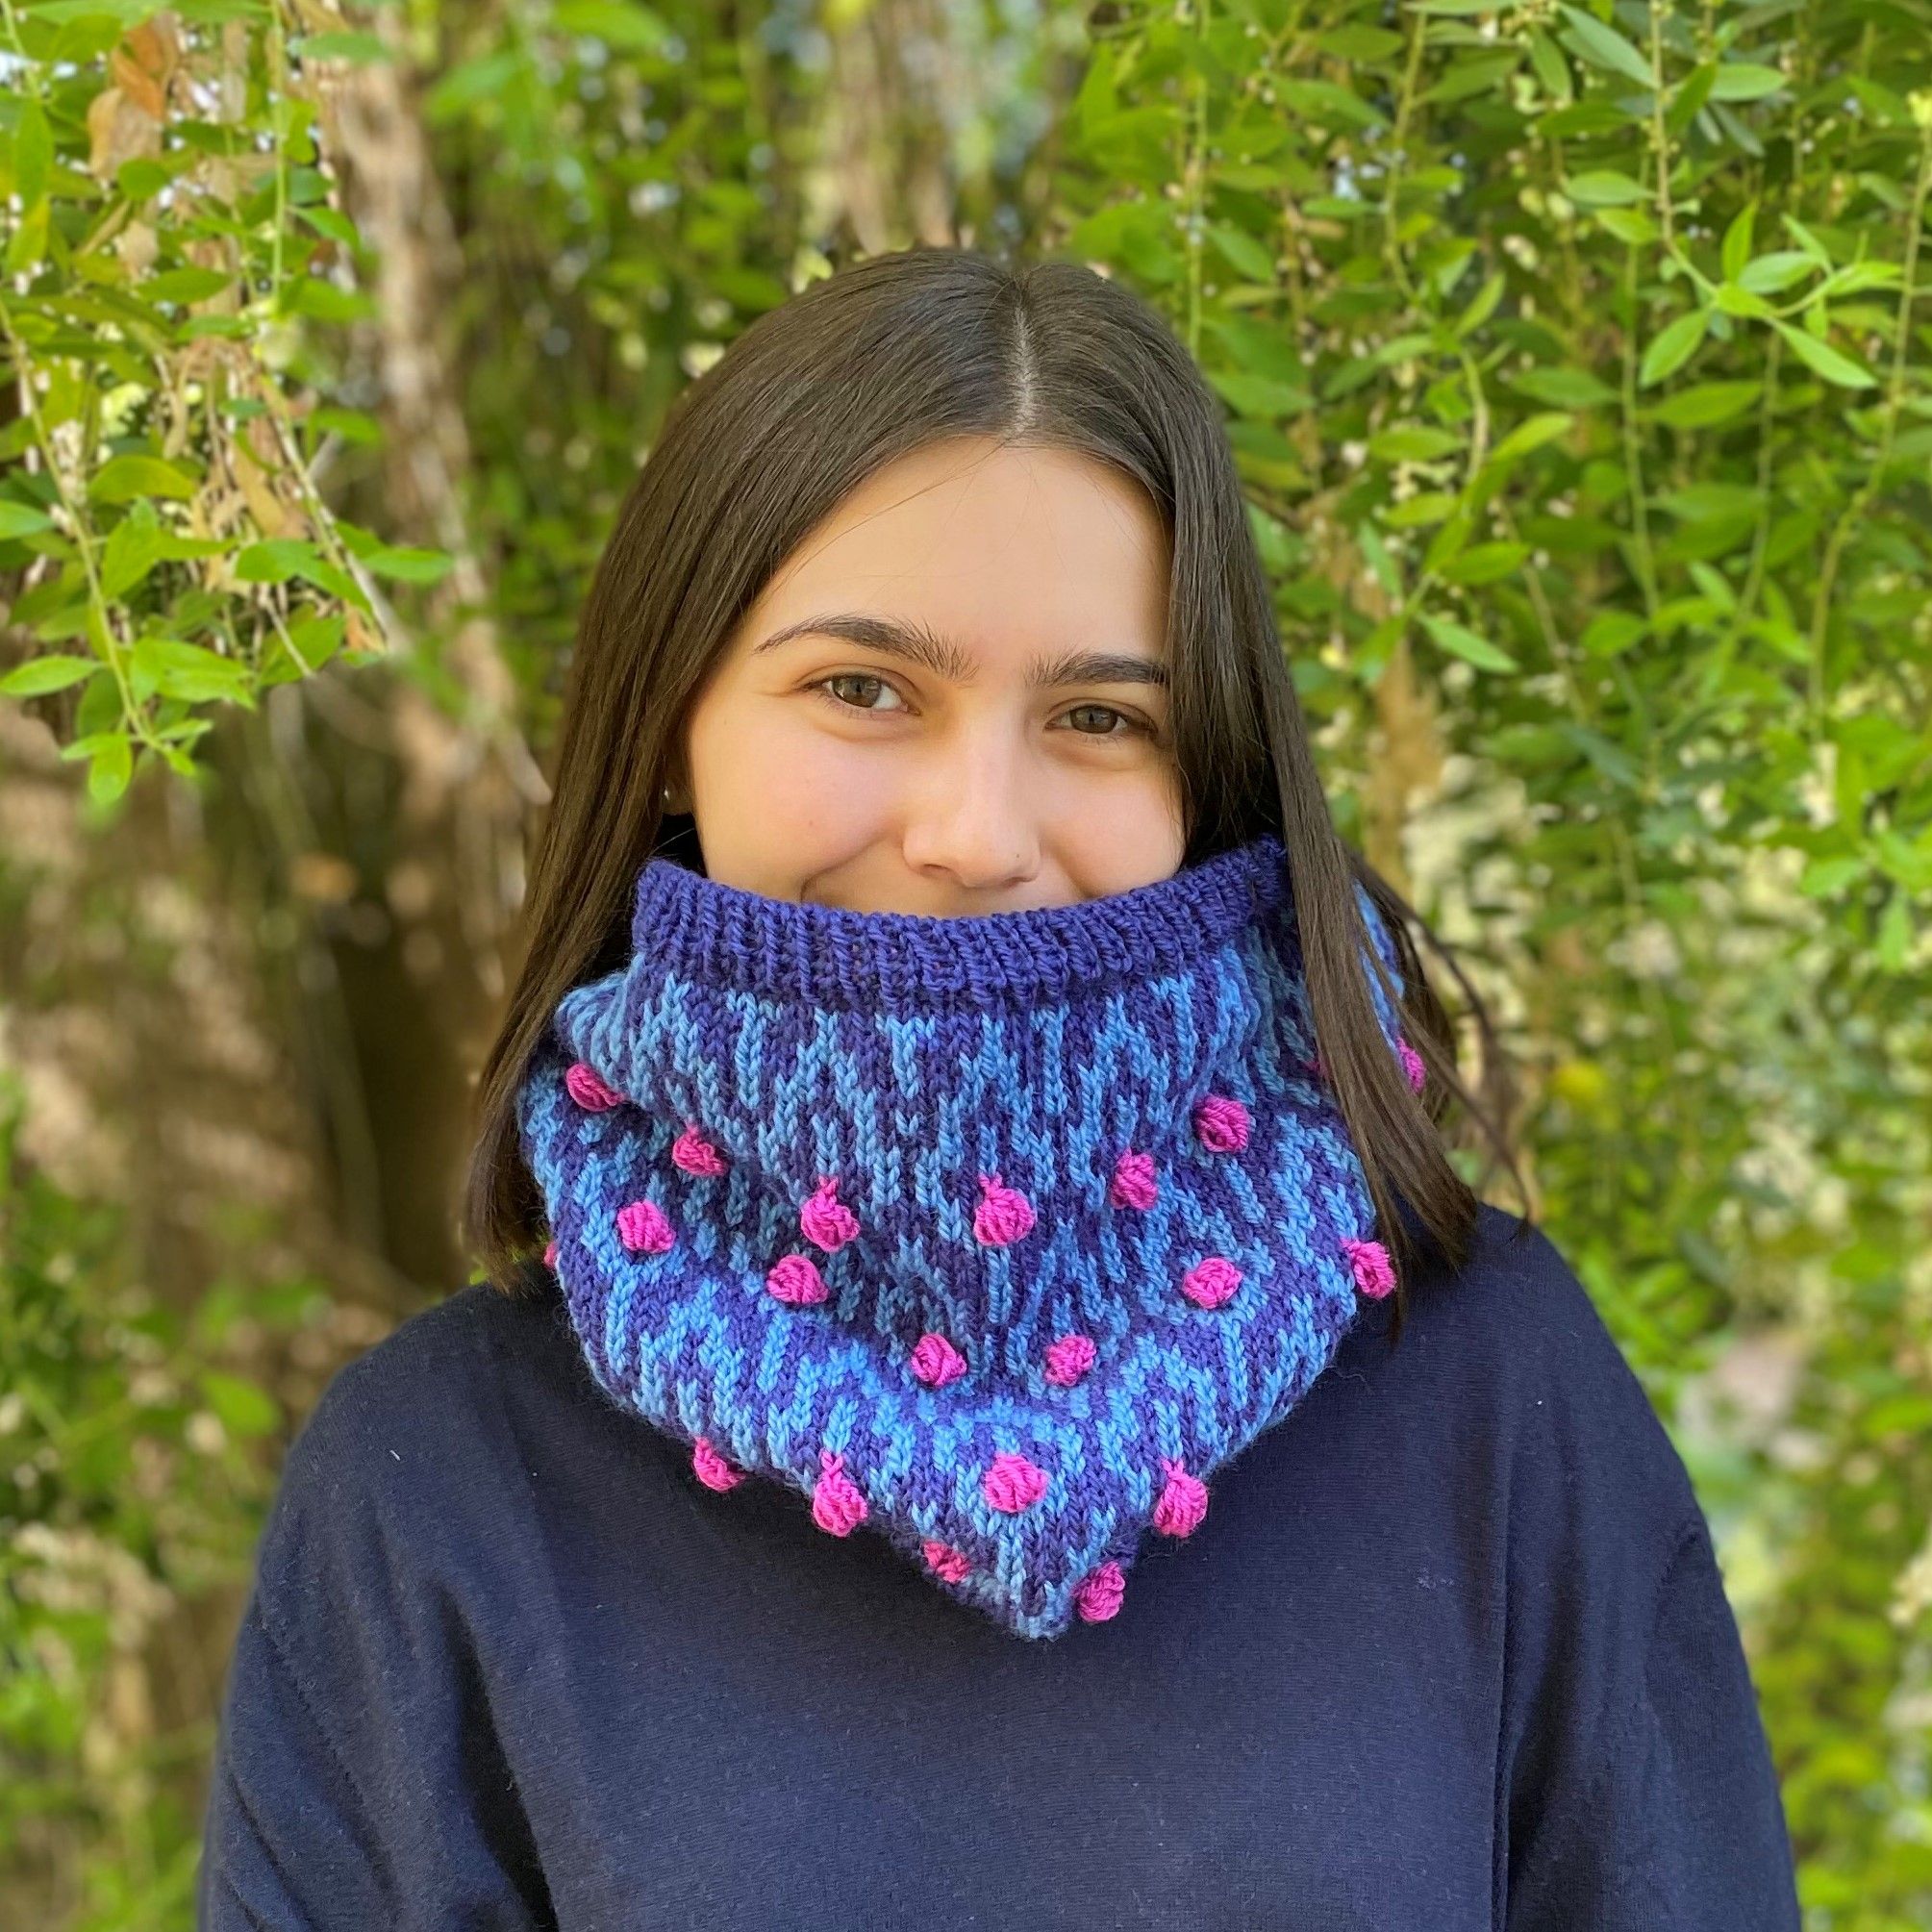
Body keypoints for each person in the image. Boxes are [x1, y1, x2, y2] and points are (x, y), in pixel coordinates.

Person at [196, 248, 1801, 1927]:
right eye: (861, 688)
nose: (974, 833)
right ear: (671, 718)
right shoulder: (430, 1493)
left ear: (1207, 776)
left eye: (1099, 715)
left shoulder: (1495, 1399)